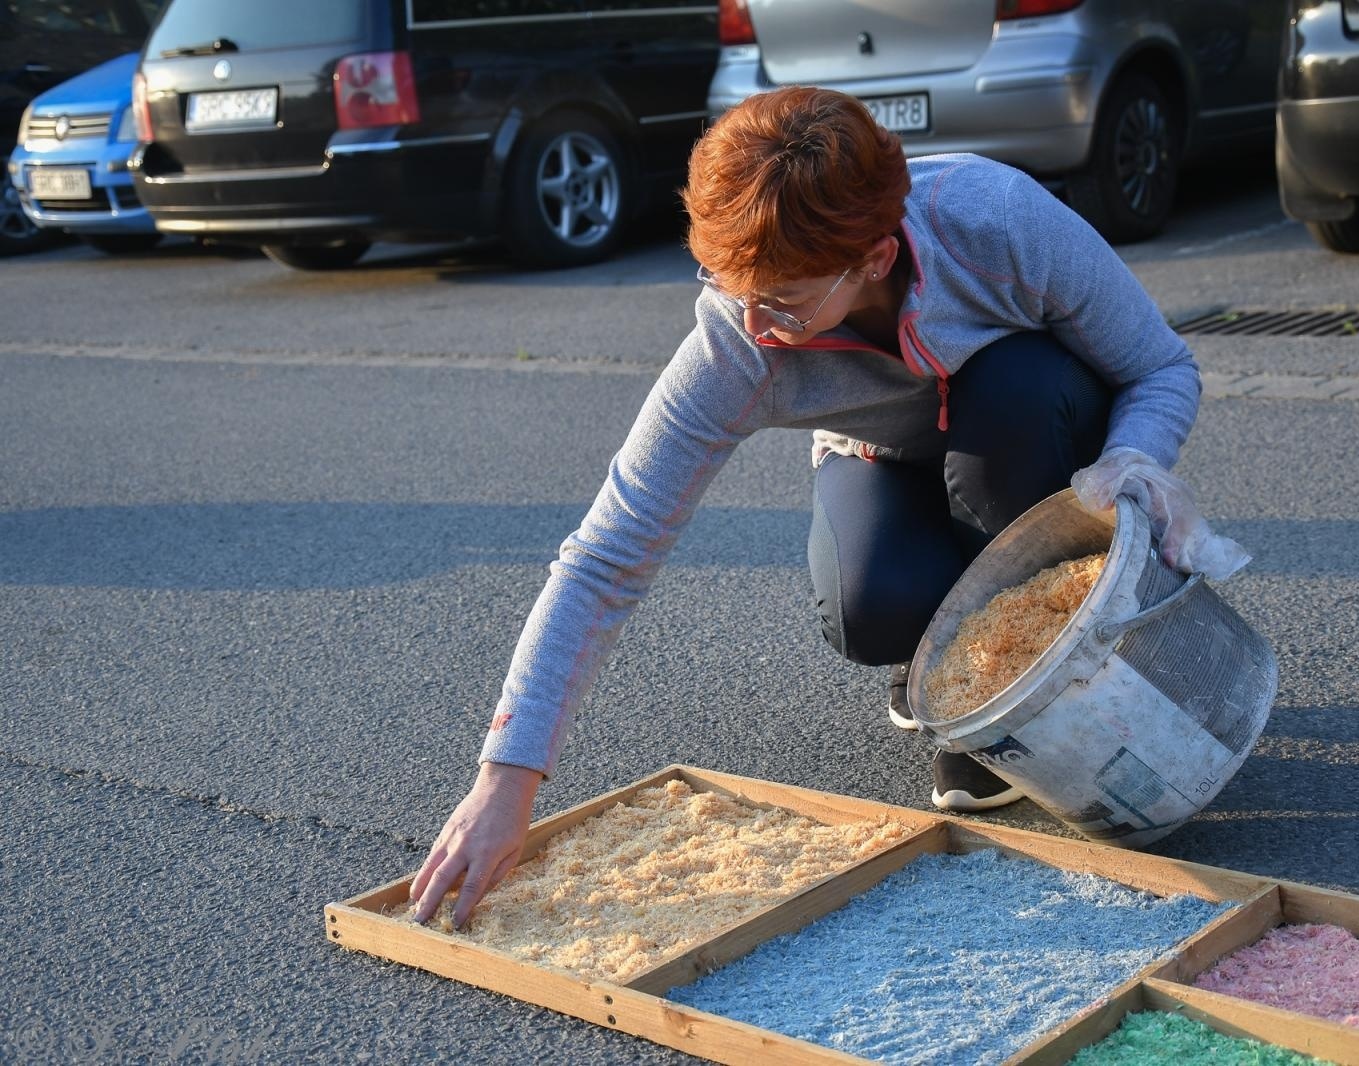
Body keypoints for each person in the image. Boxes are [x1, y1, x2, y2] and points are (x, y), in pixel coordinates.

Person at [410, 86, 1247, 928]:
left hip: (1034, 428)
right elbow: (604, 555)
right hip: (889, 453)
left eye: (780, 302)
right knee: (871, 604)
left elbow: (1159, 367)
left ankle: (1034, 679)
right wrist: (505, 780)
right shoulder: (736, 337)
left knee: (1013, 406)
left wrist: (1134, 465)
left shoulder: (994, 217)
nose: (750, 322)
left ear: (876, 260)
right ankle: (941, 664)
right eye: (726, 284)